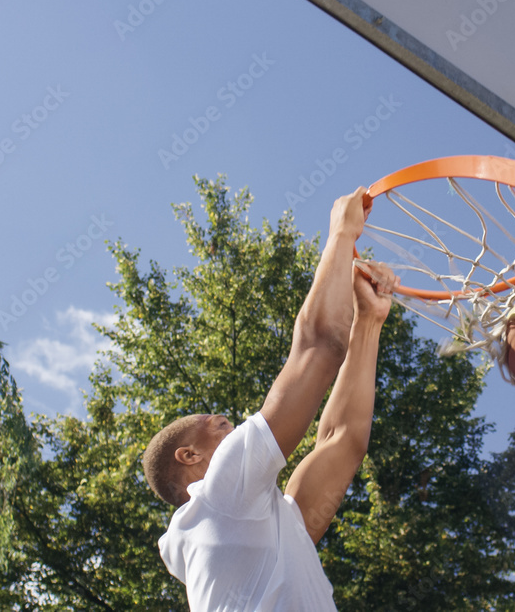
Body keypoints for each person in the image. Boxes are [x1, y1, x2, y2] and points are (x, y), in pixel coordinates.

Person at [142, 187, 398, 611]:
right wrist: (341, 234)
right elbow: (317, 349)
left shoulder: (257, 526)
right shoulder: (218, 496)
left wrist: (367, 322)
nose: (227, 419)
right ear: (188, 456)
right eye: (215, 422)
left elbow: (342, 440)